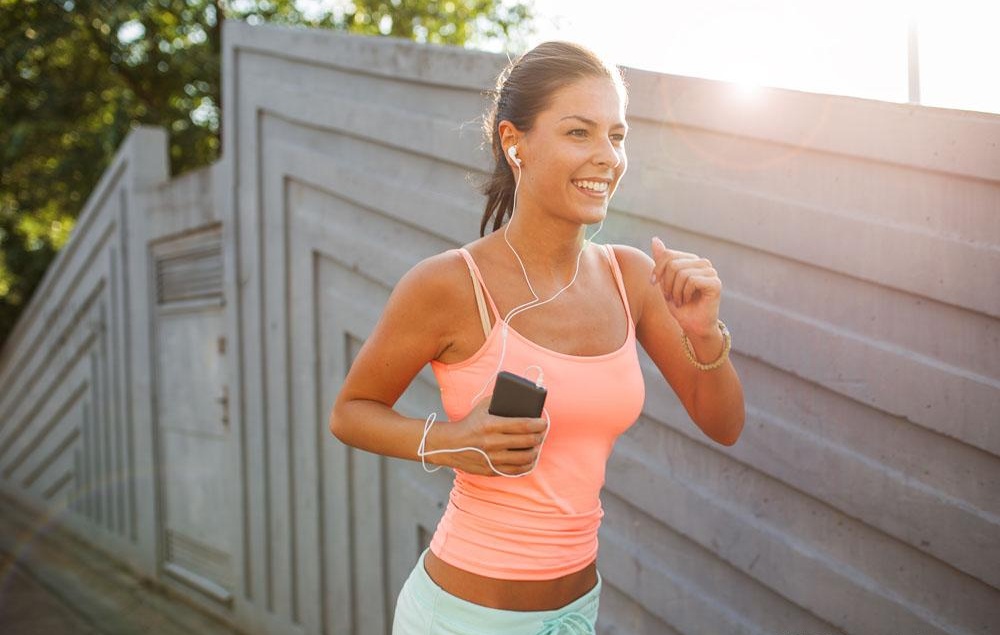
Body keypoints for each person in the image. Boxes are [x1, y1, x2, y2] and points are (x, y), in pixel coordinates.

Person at [329, 40, 745, 635]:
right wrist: (451, 442)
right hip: (461, 620)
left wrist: (705, 333)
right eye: (580, 133)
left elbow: (724, 424)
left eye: (618, 136)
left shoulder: (632, 278)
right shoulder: (449, 284)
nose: (607, 157)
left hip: (576, 614)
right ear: (513, 141)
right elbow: (350, 412)